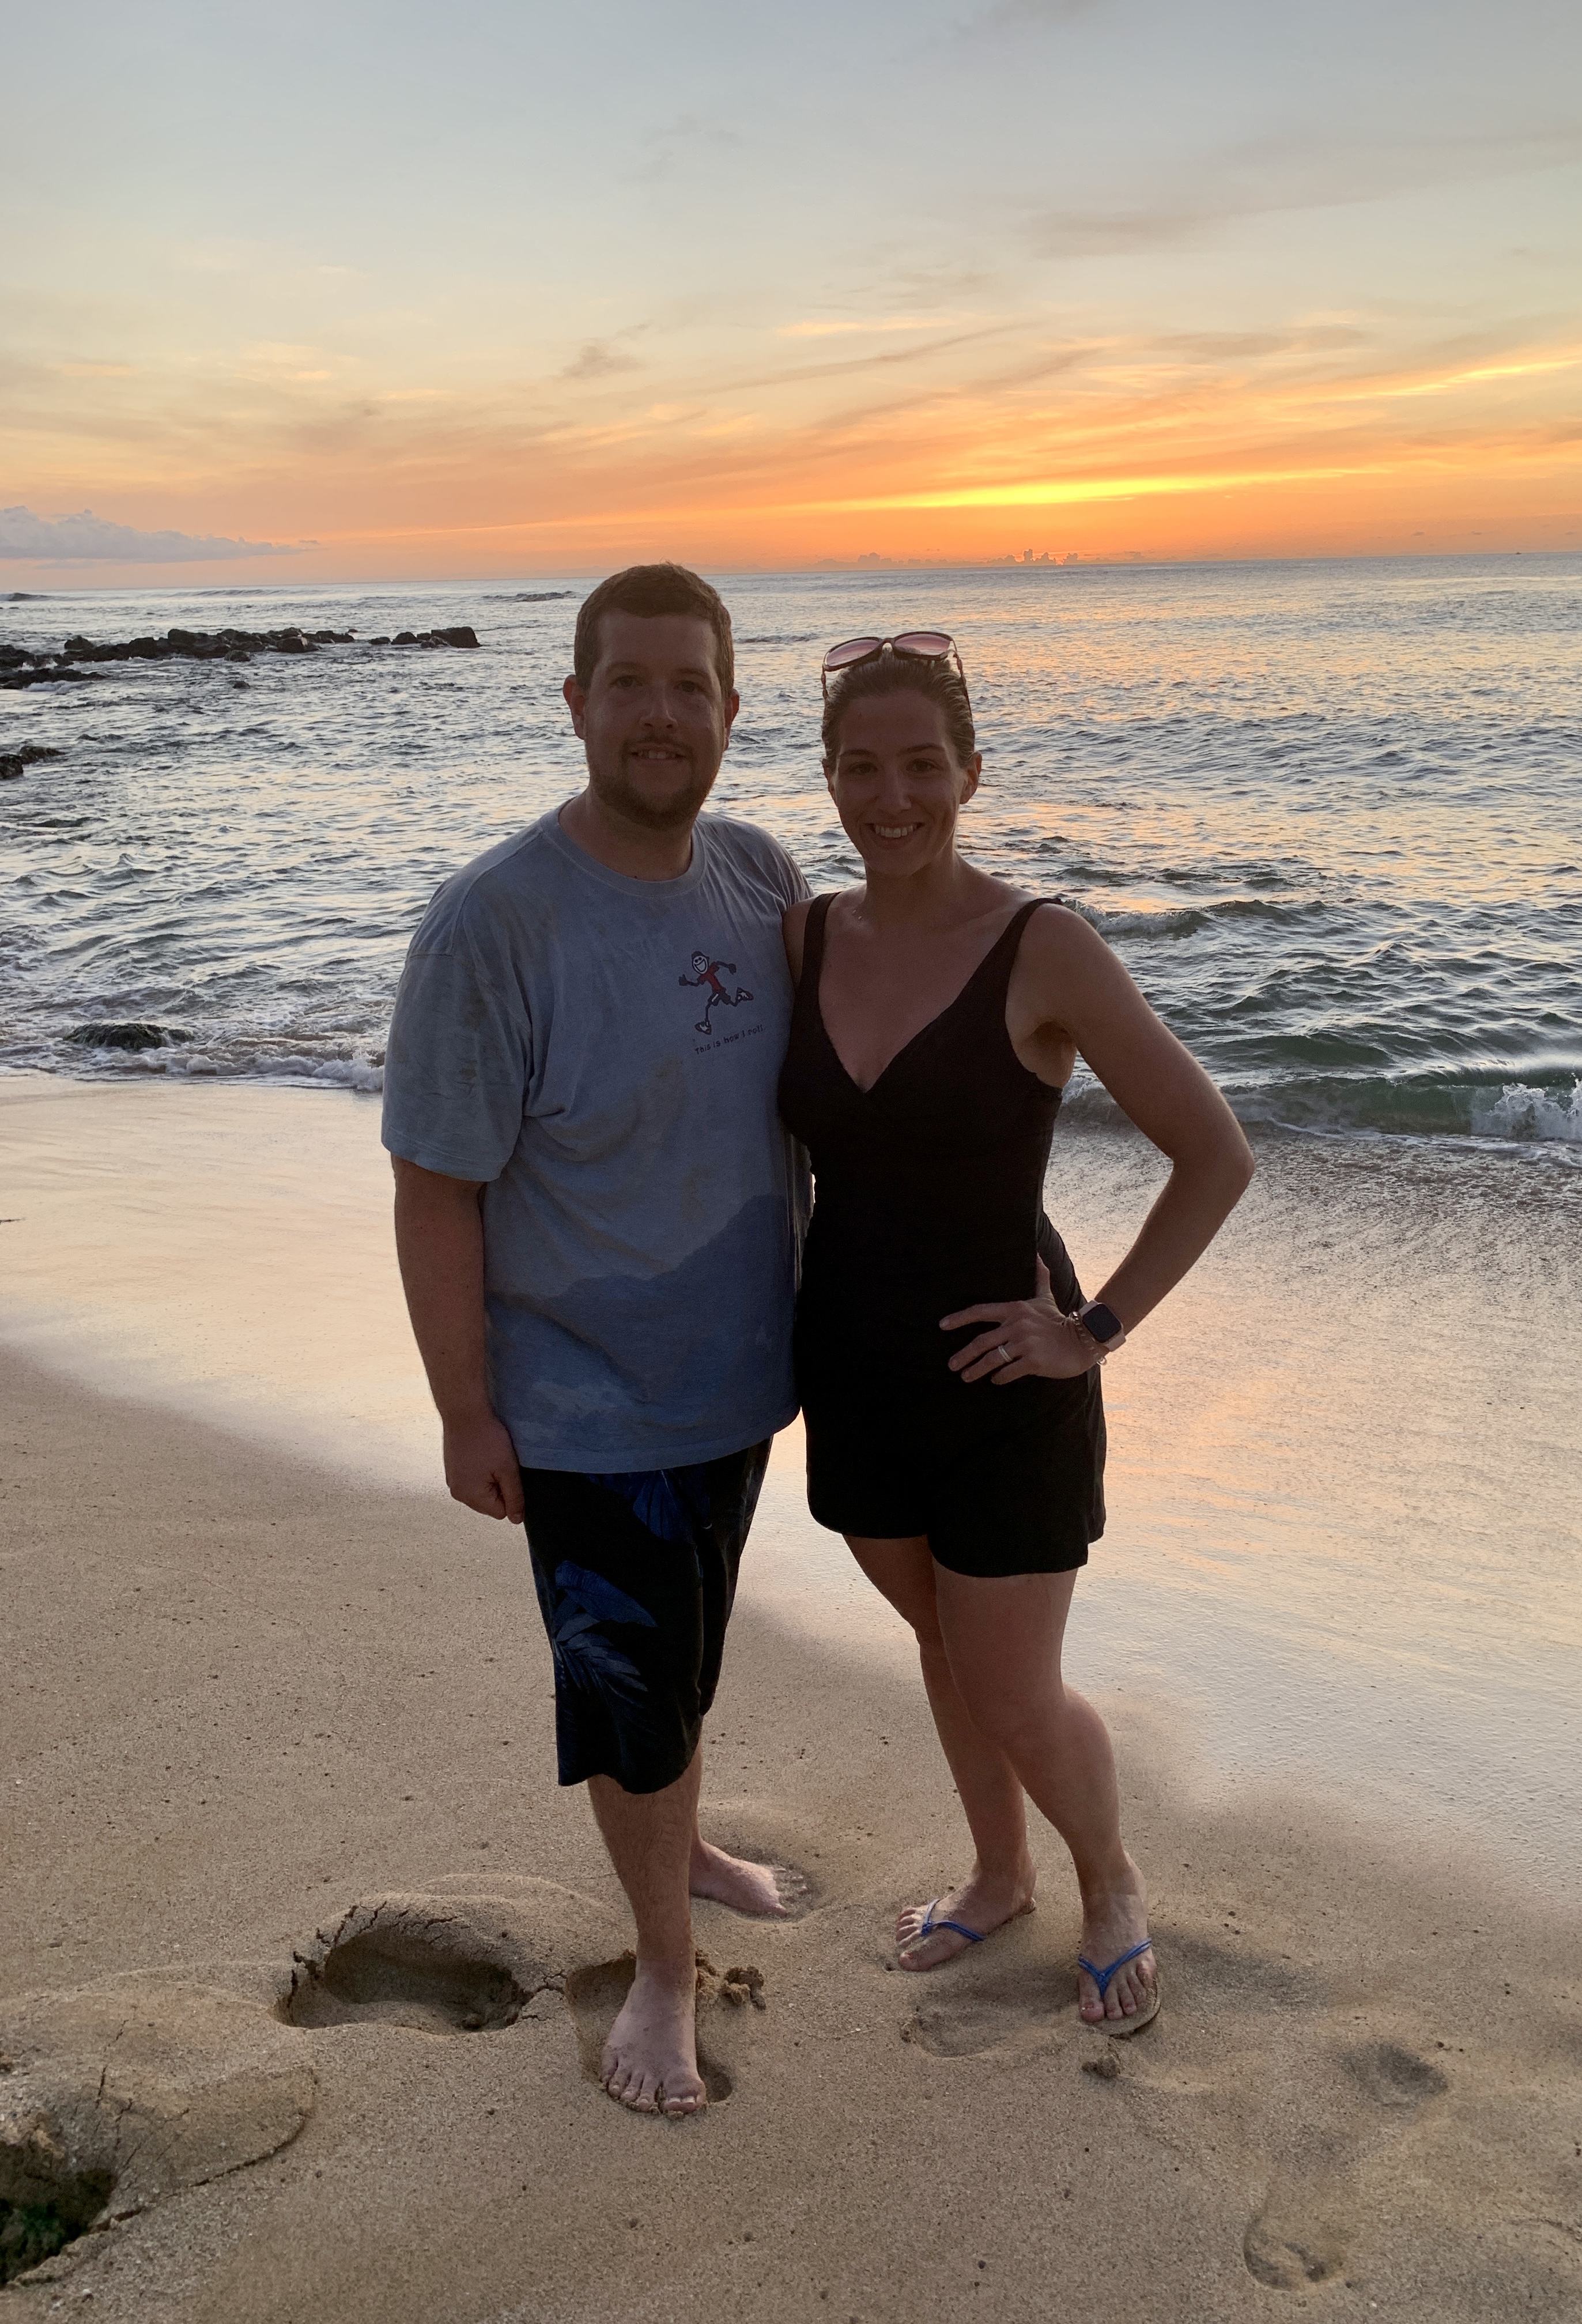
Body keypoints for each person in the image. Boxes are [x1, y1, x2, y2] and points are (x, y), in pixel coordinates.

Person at [777, 631, 1253, 2033]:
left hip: (1004, 1375)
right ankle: (998, 1872)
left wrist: (1091, 1329)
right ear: (831, 779)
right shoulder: (800, 936)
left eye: (923, 764)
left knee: (1009, 1677)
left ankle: (1107, 1880)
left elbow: (1214, 1154)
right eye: (862, 767)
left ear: (971, 773)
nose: (892, 796)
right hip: (851, 1373)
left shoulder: (1043, 945)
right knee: (943, 1646)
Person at [383, 564, 810, 2116]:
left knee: (680, 1651)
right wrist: (464, 1410)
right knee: (627, 1688)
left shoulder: (763, 879)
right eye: (627, 683)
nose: (659, 713)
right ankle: (659, 1970)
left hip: (738, 1383)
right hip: (579, 1403)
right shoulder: (494, 923)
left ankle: (681, 1842)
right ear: (574, 704)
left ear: (729, 710)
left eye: (689, 685)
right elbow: (436, 1190)